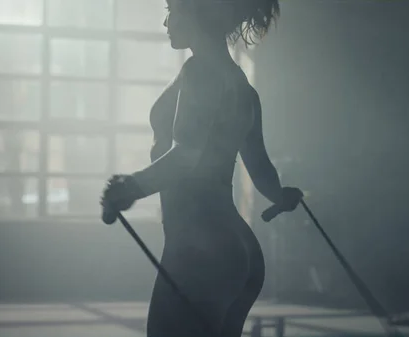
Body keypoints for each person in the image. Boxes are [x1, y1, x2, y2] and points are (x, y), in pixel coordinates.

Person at [101, 0, 303, 335]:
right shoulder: (243, 87)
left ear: (198, 12)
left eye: (172, 10)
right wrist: (282, 195)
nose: (166, 22)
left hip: (201, 247)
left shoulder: (201, 71)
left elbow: (186, 155)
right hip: (240, 250)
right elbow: (261, 168)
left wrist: (130, 188)